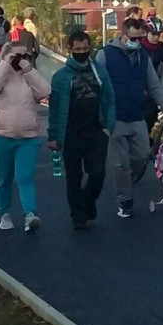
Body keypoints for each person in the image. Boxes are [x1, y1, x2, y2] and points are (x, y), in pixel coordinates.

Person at [96, 17, 163, 218]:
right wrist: (100, 116)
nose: (137, 42)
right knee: (120, 163)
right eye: (133, 38)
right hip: (116, 118)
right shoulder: (106, 55)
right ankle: (124, 200)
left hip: (137, 116)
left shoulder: (143, 57)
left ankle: (126, 182)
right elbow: (97, 87)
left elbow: (154, 85)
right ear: (123, 35)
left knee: (141, 157)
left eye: (140, 38)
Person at [47, 30, 115, 229]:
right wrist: (53, 136)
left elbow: (109, 99)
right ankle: (78, 215)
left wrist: (108, 127)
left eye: (85, 49)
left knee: (98, 173)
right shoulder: (60, 77)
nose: (82, 52)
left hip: (96, 132)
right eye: (77, 49)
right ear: (70, 50)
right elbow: (54, 108)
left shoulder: (100, 72)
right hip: (71, 133)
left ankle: (86, 202)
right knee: (73, 177)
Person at [0, 42, 51, 231]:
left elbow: (45, 91)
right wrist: (6, 63)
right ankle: (4, 213)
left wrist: (28, 69)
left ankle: (30, 214)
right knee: (4, 177)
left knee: (25, 176)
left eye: (24, 56)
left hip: (28, 137)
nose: (19, 60)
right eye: (16, 56)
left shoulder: (30, 77)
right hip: (1, 134)